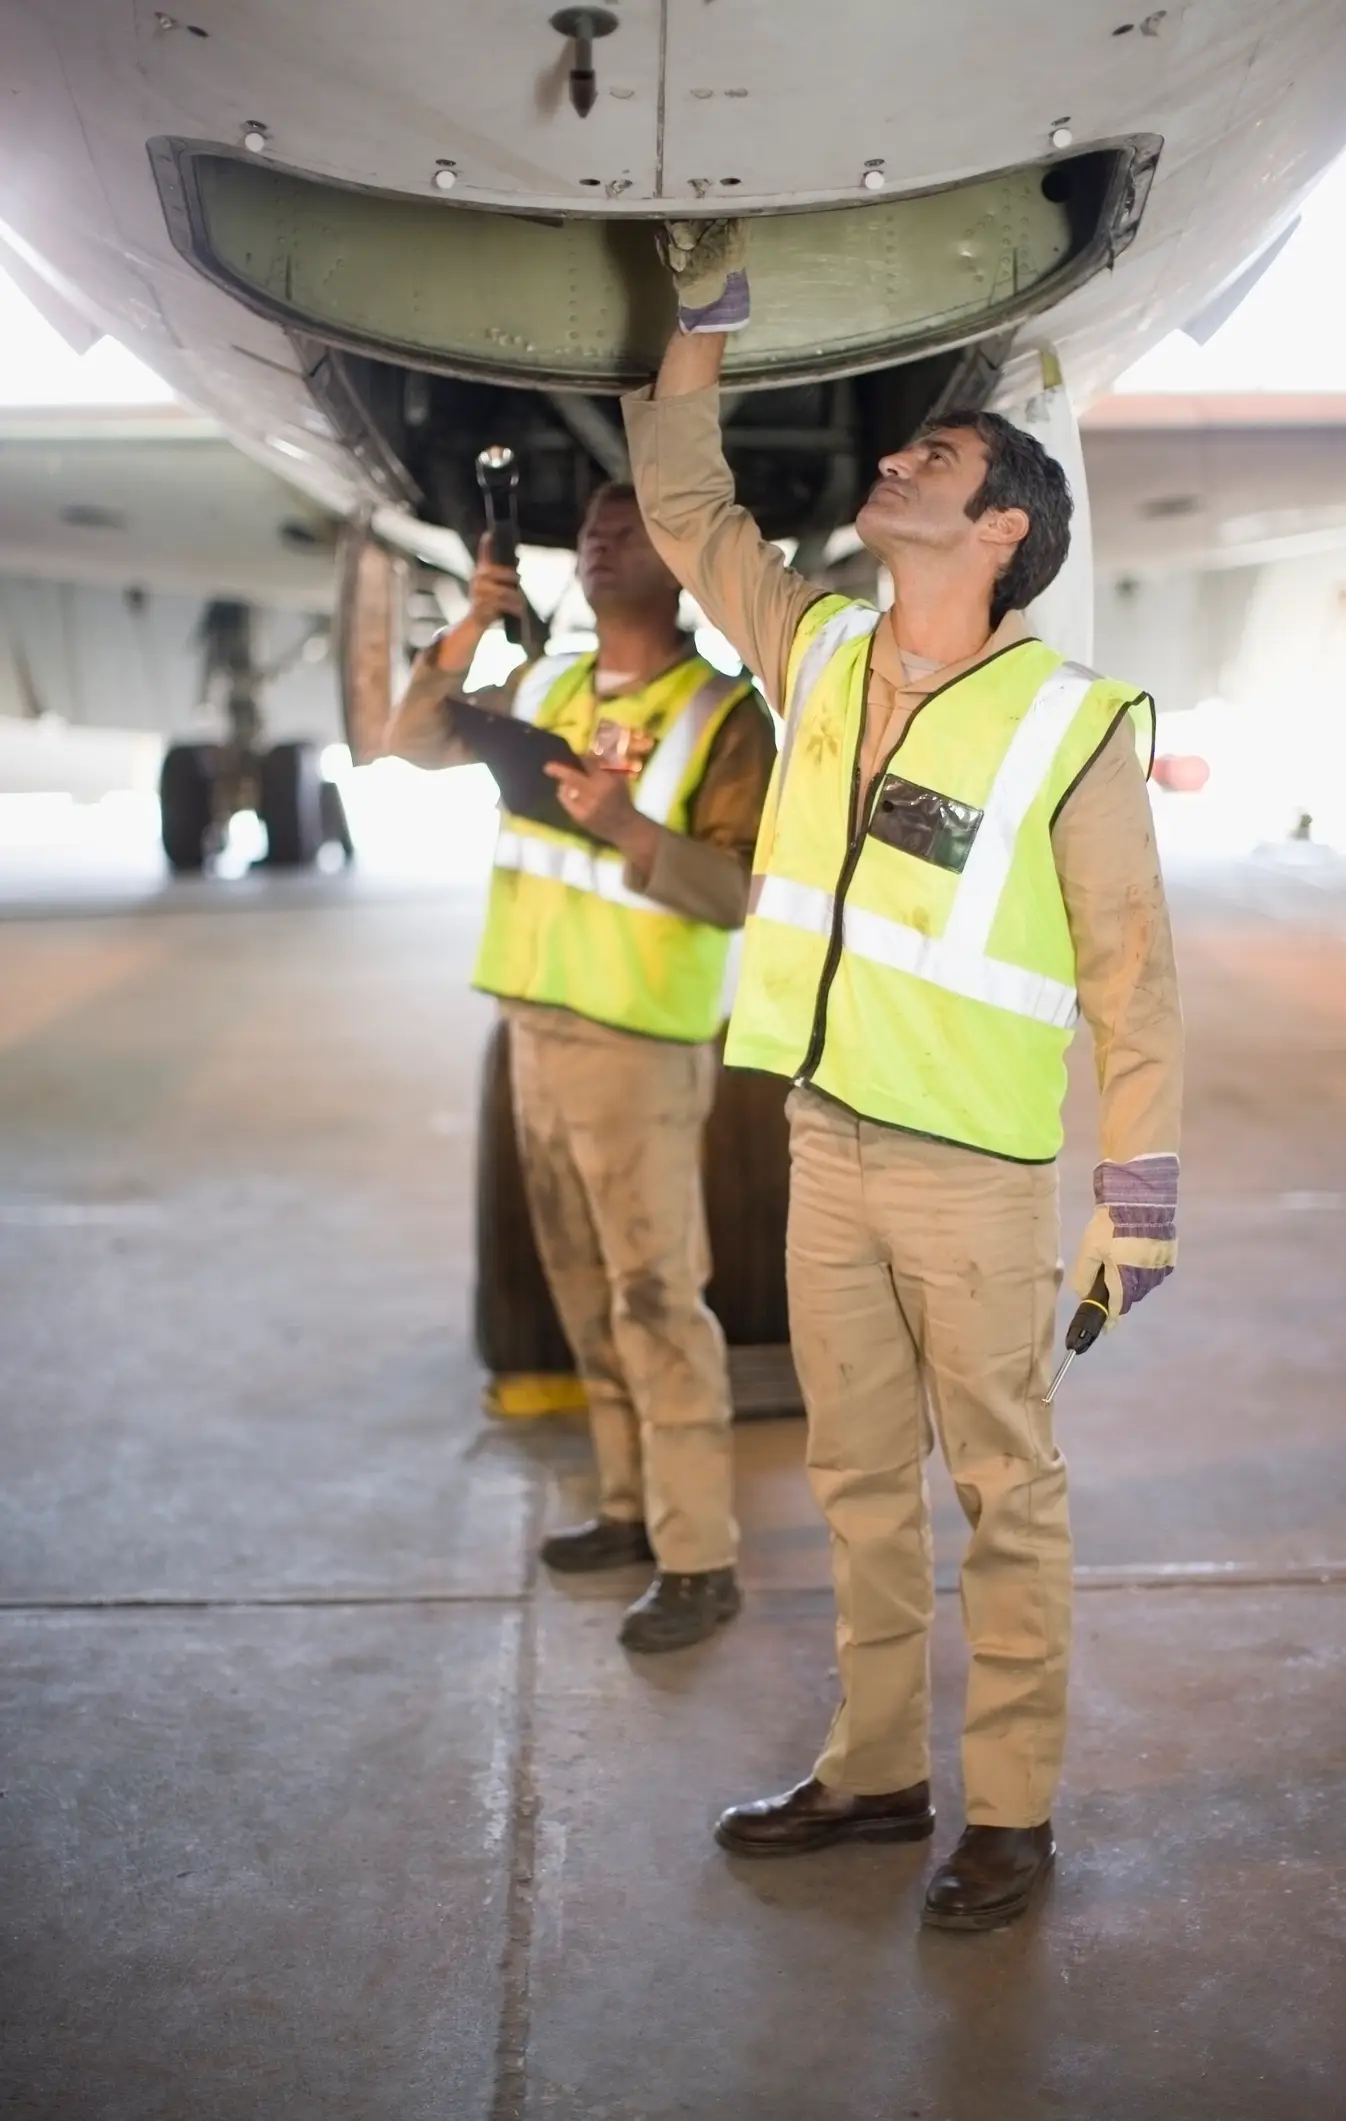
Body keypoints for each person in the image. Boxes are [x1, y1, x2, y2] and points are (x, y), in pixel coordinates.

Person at [622, 223, 1183, 1923]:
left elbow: (1133, 990)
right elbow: (682, 512)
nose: (891, 460)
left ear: (1000, 524)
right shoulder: (823, 655)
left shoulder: (1066, 726)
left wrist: (1133, 1207)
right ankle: (875, 1772)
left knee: (1001, 1495)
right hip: (825, 1143)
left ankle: (1006, 1809)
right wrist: (700, 327)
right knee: (857, 1482)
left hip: (974, 1177)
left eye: (930, 456)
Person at [384, 480, 776, 1652]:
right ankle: (624, 1506)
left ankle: (700, 1554)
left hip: (636, 1046)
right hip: (535, 1026)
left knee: (658, 1297)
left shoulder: (722, 715)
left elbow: (746, 893)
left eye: (632, 526)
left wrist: (627, 832)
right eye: (595, 528)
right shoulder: (546, 683)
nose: (602, 539)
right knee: (578, 1285)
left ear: (686, 561)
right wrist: (467, 627)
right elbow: (410, 741)